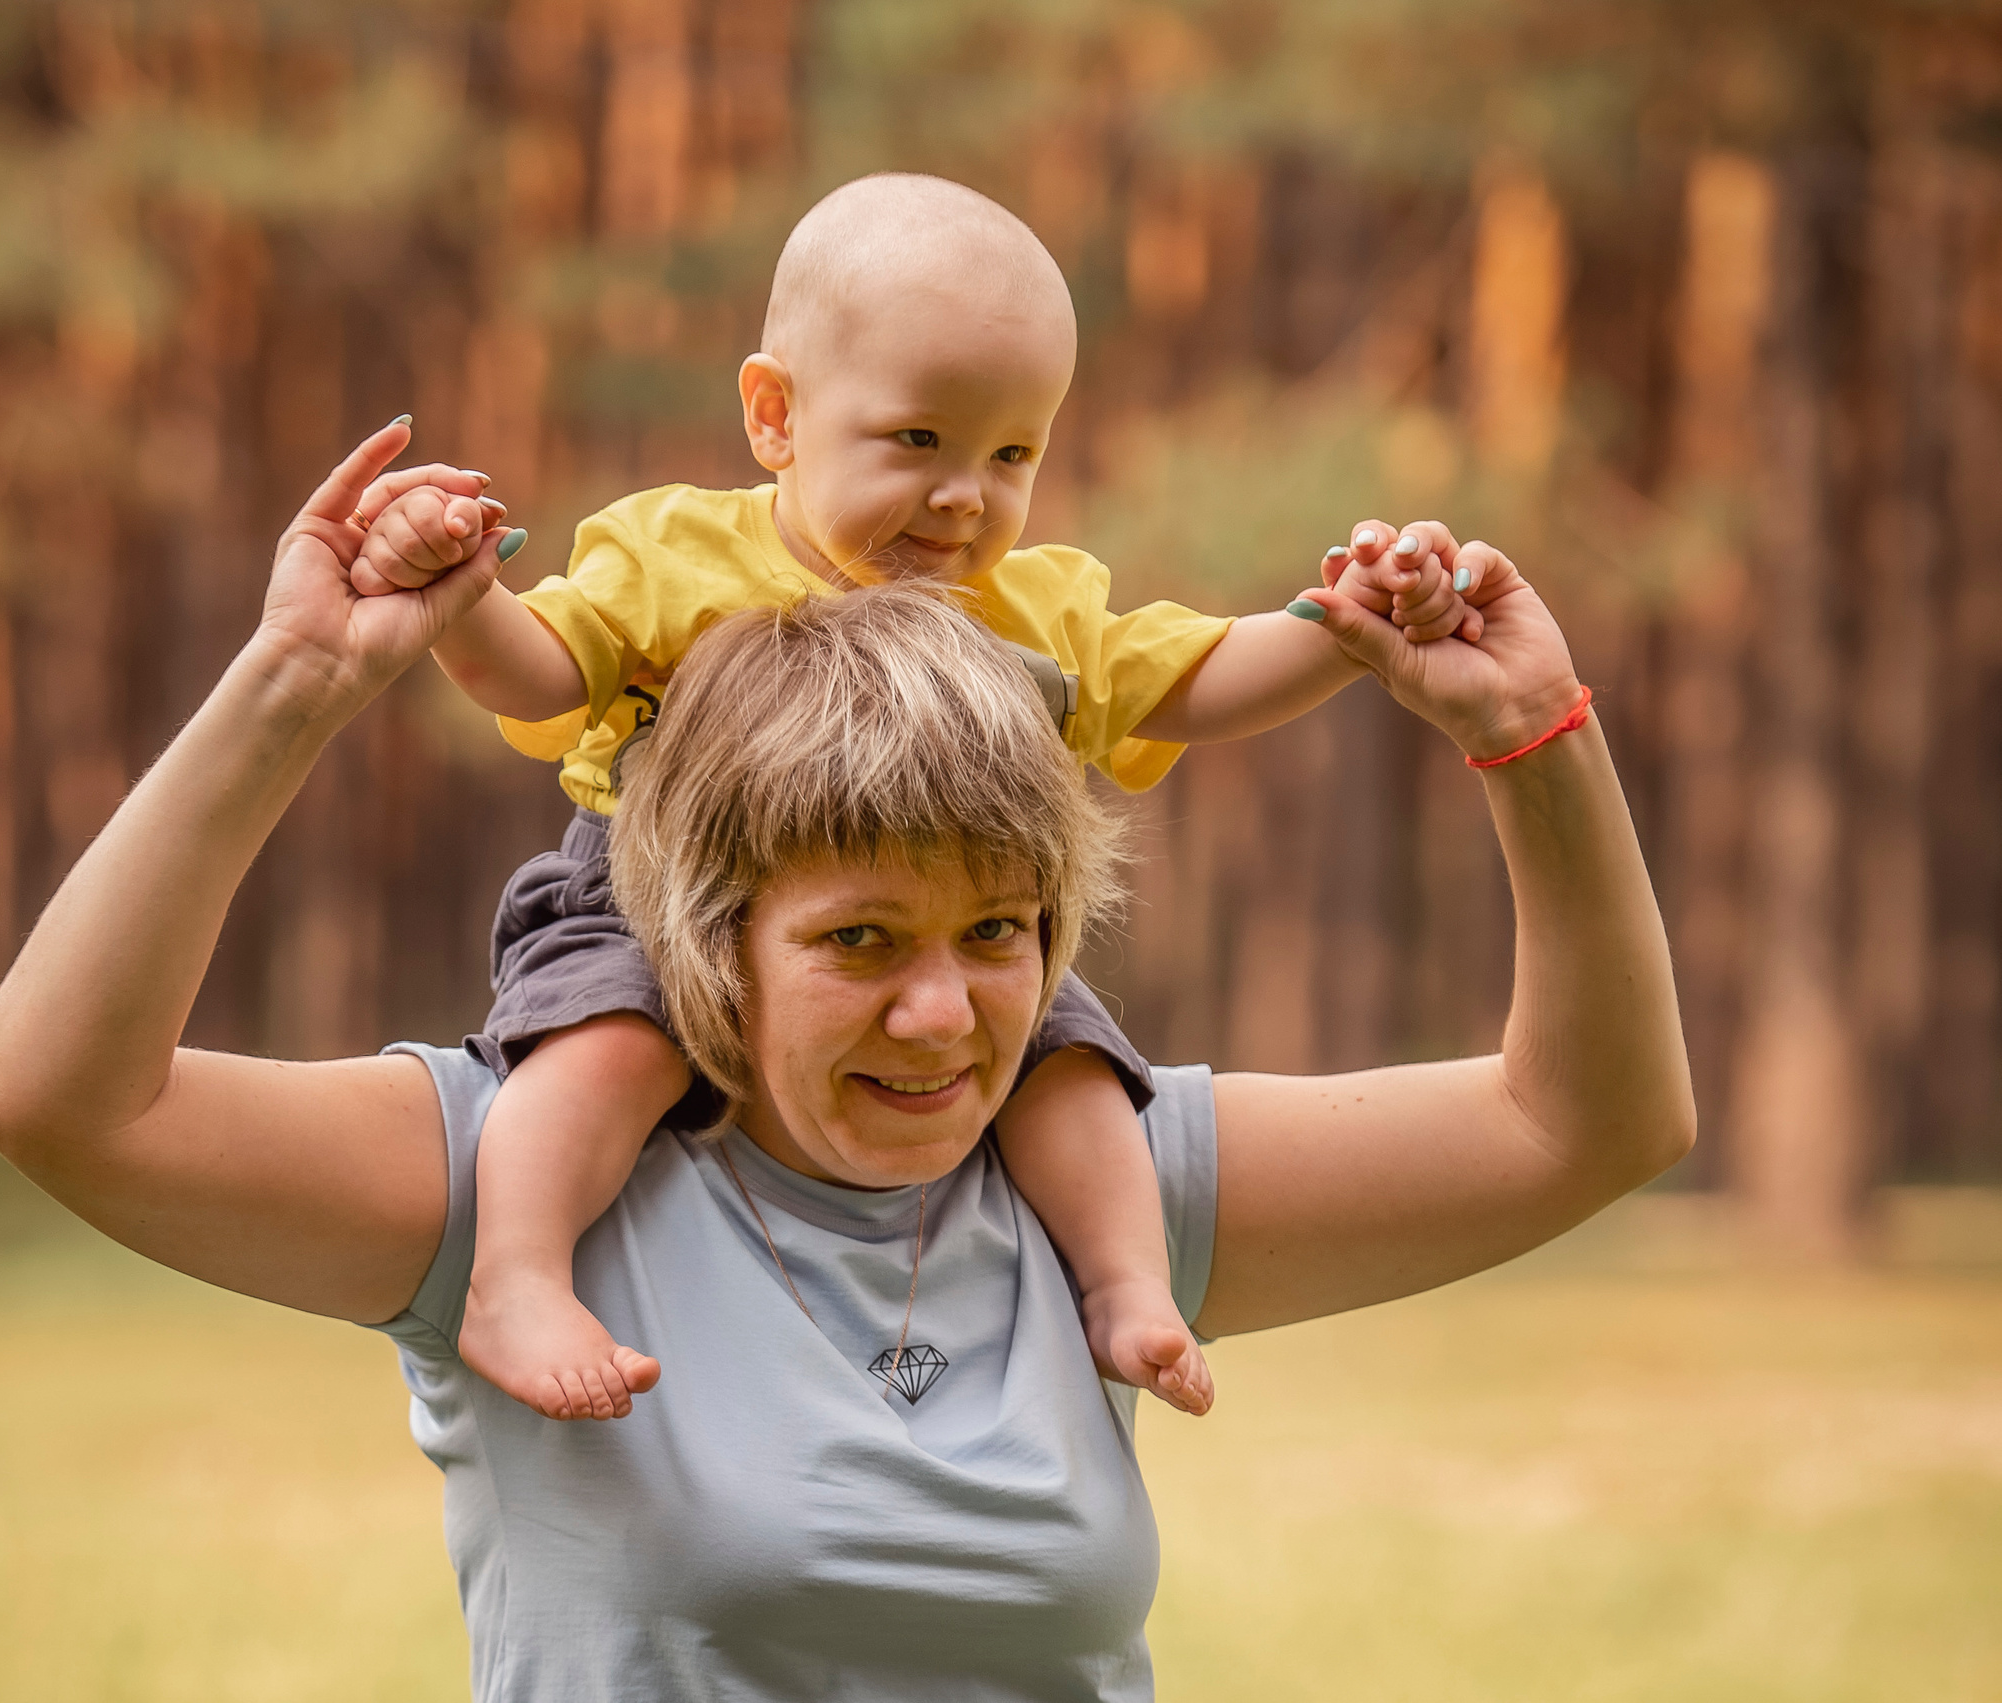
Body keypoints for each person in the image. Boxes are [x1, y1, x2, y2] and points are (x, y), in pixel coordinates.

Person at [0, 422, 1694, 1702]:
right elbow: (53, 1097)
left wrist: (1533, 742)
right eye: (861, 941)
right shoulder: (519, 1180)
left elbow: (1588, 1123)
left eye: (1001, 933)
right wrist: (297, 684)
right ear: (708, 933)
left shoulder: (1107, 1185)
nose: (946, 1016)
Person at [342, 173, 1477, 1423]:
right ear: (775, 415)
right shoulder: (678, 553)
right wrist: (456, 593)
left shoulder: (1027, 608)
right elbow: (547, 672)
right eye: (919, 441)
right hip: (651, 893)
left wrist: (1349, 628)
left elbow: (1189, 681)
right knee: (605, 1040)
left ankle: (1124, 1281)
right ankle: (515, 1275)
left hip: (941, 920)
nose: (963, 497)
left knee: (1075, 1064)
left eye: (1012, 455)